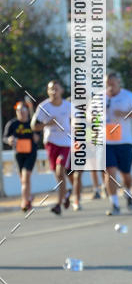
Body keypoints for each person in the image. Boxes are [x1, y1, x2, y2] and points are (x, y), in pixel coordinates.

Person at [31, 79, 74, 214]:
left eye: (56, 89)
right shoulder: (44, 107)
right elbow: (34, 126)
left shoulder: (68, 106)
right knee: (58, 175)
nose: (54, 92)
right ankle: (65, 194)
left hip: (66, 142)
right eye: (51, 89)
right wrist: (46, 124)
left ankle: (58, 204)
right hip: (50, 143)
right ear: (48, 91)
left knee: (60, 171)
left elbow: (80, 120)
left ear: (61, 90)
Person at [104, 73, 132, 215]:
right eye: (107, 84)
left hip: (124, 141)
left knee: (126, 175)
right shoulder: (99, 98)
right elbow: (89, 117)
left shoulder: (128, 96)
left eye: (112, 84)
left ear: (118, 83)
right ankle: (114, 204)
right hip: (106, 142)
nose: (110, 87)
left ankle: (128, 192)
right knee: (110, 171)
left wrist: (125, 113)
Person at [3, 101, 41, 211]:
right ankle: (29, 197)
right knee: (23, 180)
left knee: (26, 177)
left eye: (23, 110)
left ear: (27, 112)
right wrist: (9, 140)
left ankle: (24, 202)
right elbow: (5, 137)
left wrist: (35, 135)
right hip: (19, 154)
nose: (21, 113)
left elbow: (37, 138)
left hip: (31, 153)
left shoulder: (33, 123)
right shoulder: (12, 124)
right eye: (18, 110)